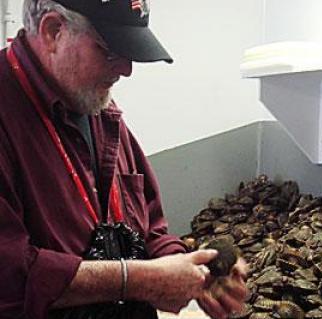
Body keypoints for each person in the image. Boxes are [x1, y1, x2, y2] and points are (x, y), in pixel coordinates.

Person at [0, 0, 247, 318]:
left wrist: (194, 269)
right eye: (109, 50)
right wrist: (136, 281)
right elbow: (9, 278)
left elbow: (149, 230)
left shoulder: (96, 107)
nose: (127, 69)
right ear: (53, 31)